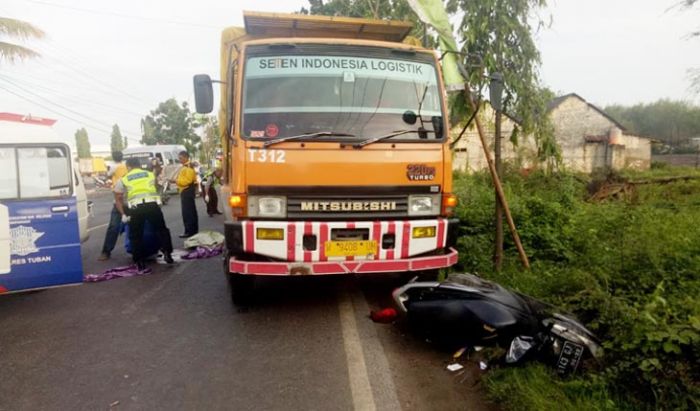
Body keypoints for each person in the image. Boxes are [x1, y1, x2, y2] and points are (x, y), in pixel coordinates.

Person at [114, 158, 174, 273]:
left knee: (136, 235)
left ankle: (139, 262)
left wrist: (123, 214)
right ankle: (167, 253)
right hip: (152, 205)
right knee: (161, 230)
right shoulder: (150, 174)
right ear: (139, 165)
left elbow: (118, 198)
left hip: (136, 208)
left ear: (128, 167)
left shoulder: (124, 179)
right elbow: (157, 188)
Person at [98, 151, 128, 261]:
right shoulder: (126, 166)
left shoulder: (114, 167)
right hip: (125, 198)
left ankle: (106, 252)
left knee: (113, 226)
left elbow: (108, 175)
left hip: (121, 198)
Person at [173, 150, 198, 238]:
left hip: (187, 191)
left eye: (181, 158)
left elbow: (187, 181)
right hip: (187, 191)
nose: (180, 160)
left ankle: (190, 231)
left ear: (186, 157)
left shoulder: (188, 167)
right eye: (179, 158)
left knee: (188, 213)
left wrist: (176, 181)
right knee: (190, 212)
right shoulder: (186, 167)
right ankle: (191, 230)